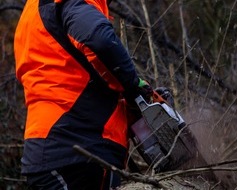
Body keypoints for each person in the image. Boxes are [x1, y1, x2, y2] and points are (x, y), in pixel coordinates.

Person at [14, 0, 152, 189]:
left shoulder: (36, 12)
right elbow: (100, 41)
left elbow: (74, 81)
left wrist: (131, 104)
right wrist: (132, 86)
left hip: (57, 148)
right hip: (76, 151)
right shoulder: (70, 4)